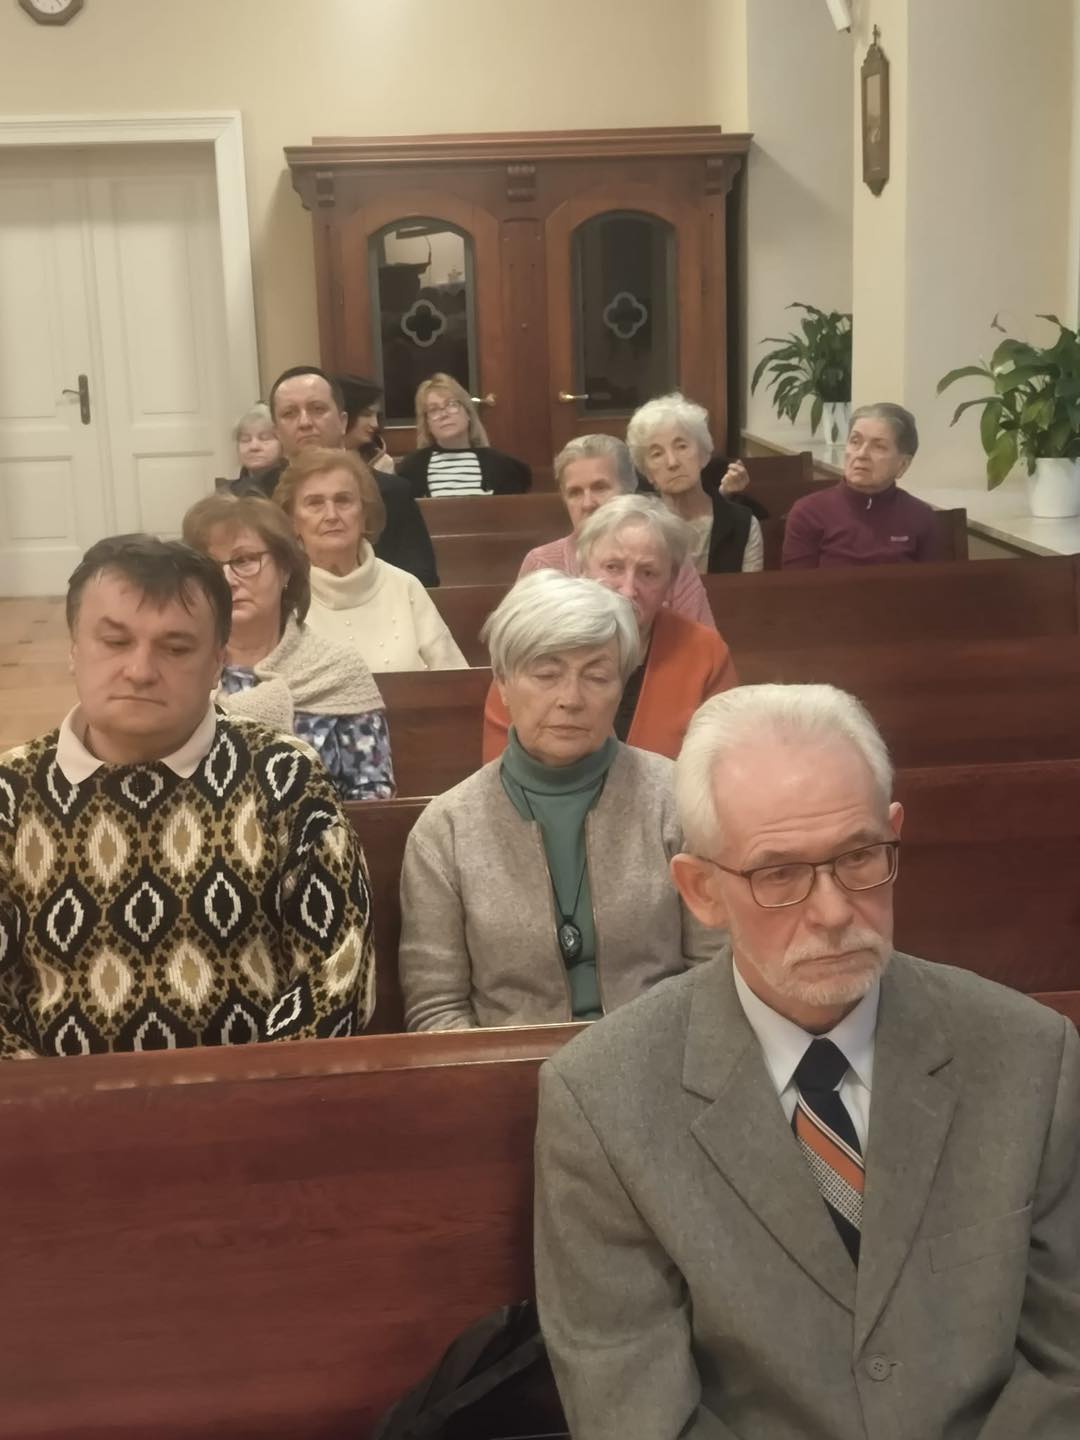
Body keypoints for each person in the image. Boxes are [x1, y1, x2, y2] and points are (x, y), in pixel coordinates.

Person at [535, 683, 1080, 1439]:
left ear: (893, 835)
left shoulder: (1031, 1056)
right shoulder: (602, 1100)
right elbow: (636, 1411)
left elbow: (1066, 1367)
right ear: (701, 890)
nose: (832, 911)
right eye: (779, 874)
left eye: (859, 856)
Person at [0, 535, 376, 1058]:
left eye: (175, 649)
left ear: (217, 662)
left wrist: (248, 1095)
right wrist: (56, 1100)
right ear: (73, 649)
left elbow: (339, 972)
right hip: (55, 1104)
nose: (140, 670)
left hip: (258, 1099)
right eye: (115, 642)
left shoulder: (284, 776)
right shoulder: (10, 793)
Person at [399, 571, 718, 1031]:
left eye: (597, 676)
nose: (571, 698)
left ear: (621, 685)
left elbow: (715, 971)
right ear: (503, 683)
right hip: (507, 1065)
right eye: (546, 674)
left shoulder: (677, 798)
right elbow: (436, 1009)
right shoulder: (444, 829)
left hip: (660, 1054)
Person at [484, 495, 737, 761]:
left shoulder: (705, 652)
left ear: (671, 581)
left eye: (648, 573)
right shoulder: (533, 641)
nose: (628, 590)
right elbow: (501, 766)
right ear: (582, 569)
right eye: (613, 567)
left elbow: (722, 760)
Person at [182, 492, 395, 801]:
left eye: (244, 560)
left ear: (285, 568)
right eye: (210, 567)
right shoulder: (178, 670)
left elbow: (373, 795)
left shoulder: (337, 669)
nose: (227, 579)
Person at [275, 446, 467, 673]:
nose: (331, 515)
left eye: (343, 500)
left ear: (364, 513)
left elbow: (455, 679)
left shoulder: (405, 587)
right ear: (292, 520)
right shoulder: (281, 597)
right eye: (315, 503)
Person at [244, 365, 439, 587]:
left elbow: (422, 578)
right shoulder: (254, 500)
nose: (305, 422)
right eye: (290, 413)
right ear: (277, 431)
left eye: (317, 409)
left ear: (343, 422)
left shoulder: (393, 493)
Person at [518, 435, 716, 628]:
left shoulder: (665, 555)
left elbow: (701, 639)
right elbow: (519, 644)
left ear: (629, 490)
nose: (588, 504)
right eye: (575, 493)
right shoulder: (542, 563)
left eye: (600, 488)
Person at [783, 403, 941, 568]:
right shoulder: (808, 513)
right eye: (855, 441)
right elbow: (797, 583)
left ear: (902, 465)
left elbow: (932, 582)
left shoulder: (920, 516)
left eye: (879, 446)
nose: (861, 454)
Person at [627, 392, 765, 573]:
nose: (672, 462)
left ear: (703, 455)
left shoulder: (743, 525)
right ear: (648, 473)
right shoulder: (636, 528)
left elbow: (749, 590)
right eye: (657, 454)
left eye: (681, 447)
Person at [396, 373, 531, 497]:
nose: (444, 414)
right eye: (434, 410)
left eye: (451, 404)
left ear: (468, 413)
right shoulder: (411, 469)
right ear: (427, 424)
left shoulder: (502, 467)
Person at [338, 374, 396, 475]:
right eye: (366, 414)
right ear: (344, 415)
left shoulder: (382, 463)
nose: (375, 424)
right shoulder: (317, 456)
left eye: (377, 415)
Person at [230, 402, 283, 491]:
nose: (254, 447)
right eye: (245, 440)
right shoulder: (228, 493)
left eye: (265, 438)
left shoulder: (294, 489)